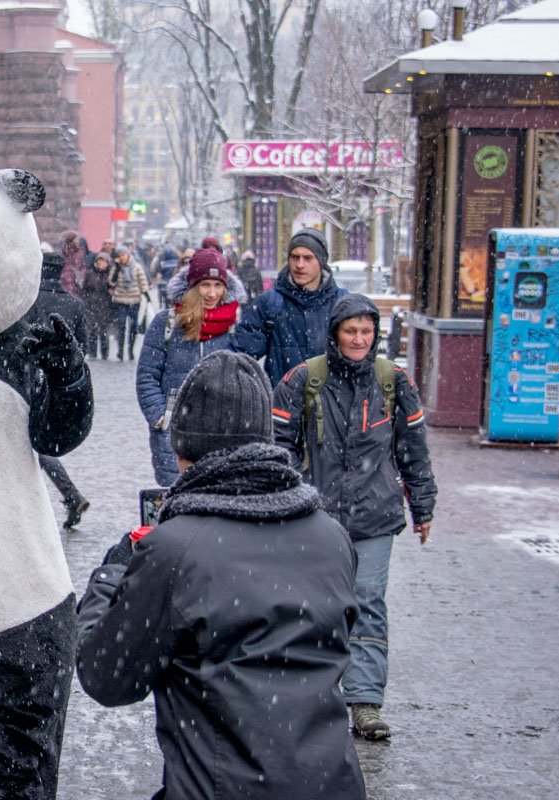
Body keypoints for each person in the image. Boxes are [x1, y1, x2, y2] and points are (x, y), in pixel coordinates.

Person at [78, 350, 366, 800]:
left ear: (183, 452)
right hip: (331, 786)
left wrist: (112, 575)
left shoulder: (174, 549)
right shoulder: (331, 536)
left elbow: (107, 677)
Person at [271, 293, 437, 741]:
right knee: (312, 606)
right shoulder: (304, 379)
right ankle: (309, 698)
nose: (359, 339)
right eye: (351, 331)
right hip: (316, 517)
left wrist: (423, 506)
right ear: (335, 333)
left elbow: (413, 451)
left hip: (375, 516)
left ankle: (364, 701)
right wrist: (288, 497)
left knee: (367, 605)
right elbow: (279, 443)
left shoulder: (394, 381)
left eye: (366, 331)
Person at [136, 248, 246, 487]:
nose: (212, 293)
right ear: (193, 286)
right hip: (174, 431)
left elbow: (245, 378)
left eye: (218, 285)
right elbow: (147, 375)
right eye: (205, 285)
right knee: (177, 499)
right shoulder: (166, 323)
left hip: (221, 431)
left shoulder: (234, 327)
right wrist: (160, 417)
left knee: (216, 504)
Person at [25, 252, 91, 527]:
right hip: (60, 382)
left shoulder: (28, 299)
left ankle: (70, 495)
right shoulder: (73, 304)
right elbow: (82, 347)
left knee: (35, 446)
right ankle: (71, 495)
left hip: (29, 377)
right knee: (43, 443)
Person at [233, 227, 346, 386]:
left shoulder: (341, 303)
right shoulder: (270, 303)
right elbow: (240, 356)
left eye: (307, 258)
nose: (299, 264)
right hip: (283, 404)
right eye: (294, 257)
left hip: (331, 404)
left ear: (321, 261)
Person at [109, 246, 149, 361]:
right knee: (121, 325)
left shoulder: (136, 267)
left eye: (123, 255)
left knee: (133, 327)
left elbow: (143, 282)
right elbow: (111, 281)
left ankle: (130, 350)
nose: (122, 258)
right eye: (119, 256)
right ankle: (120, 351)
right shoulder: (116, 268)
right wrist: (117, 268)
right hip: (120, 300)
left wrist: (146, 295)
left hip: (134, 301)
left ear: (127, 255)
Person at [80, 249, 117, 359]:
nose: (100, 263)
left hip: (105, 306)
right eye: (98, 261)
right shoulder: (90, 274)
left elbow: (113, 288)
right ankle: (92, 352)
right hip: (91, 305)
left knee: (104, 331)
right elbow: (84, 289)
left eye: (103, 261)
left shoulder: (110, 275)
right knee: (92, 330)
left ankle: (104, 353)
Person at [58, 230, 88, 297]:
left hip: (75, 287)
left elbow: (82, 271)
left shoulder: (79, 254)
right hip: (65, 286)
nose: (78, 241)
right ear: (70, 240)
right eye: (76, 239)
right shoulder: (62, 254)